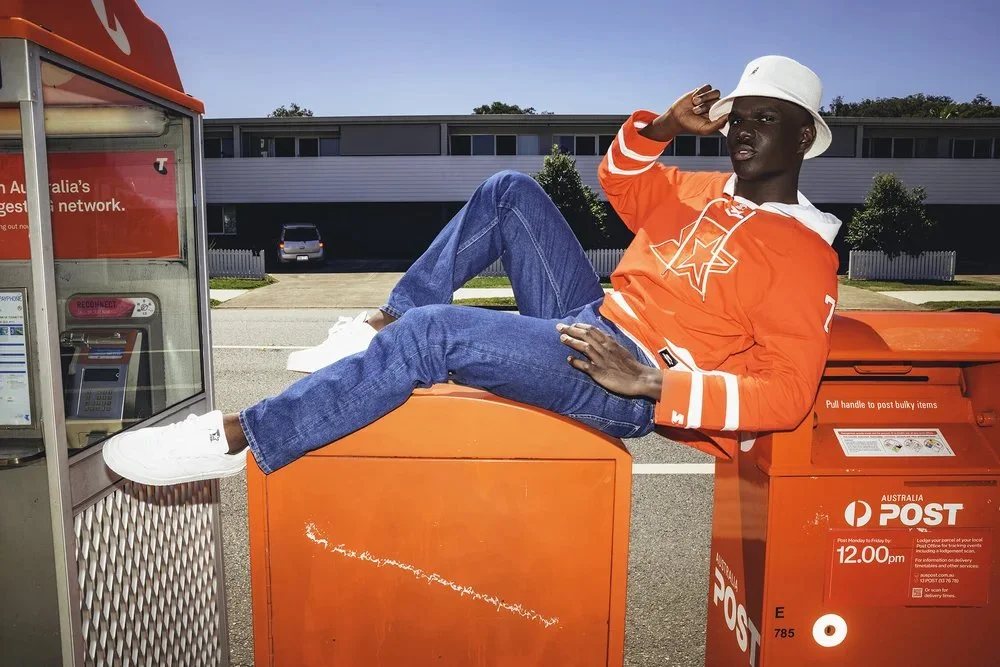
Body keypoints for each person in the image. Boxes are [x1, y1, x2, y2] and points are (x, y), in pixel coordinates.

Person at [102, 55, 841, 486]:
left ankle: (235, 439)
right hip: (591, 318)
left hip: (627, 373)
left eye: (764, 118)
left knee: (433, 341)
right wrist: (664, 128)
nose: (741, 128)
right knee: (509, 192)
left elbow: (786, 390)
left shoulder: (808, 254)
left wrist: (652, 382)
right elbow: (617, 177)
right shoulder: (696, 189)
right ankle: (381, 324)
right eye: (739, 115)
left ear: (804, 137)